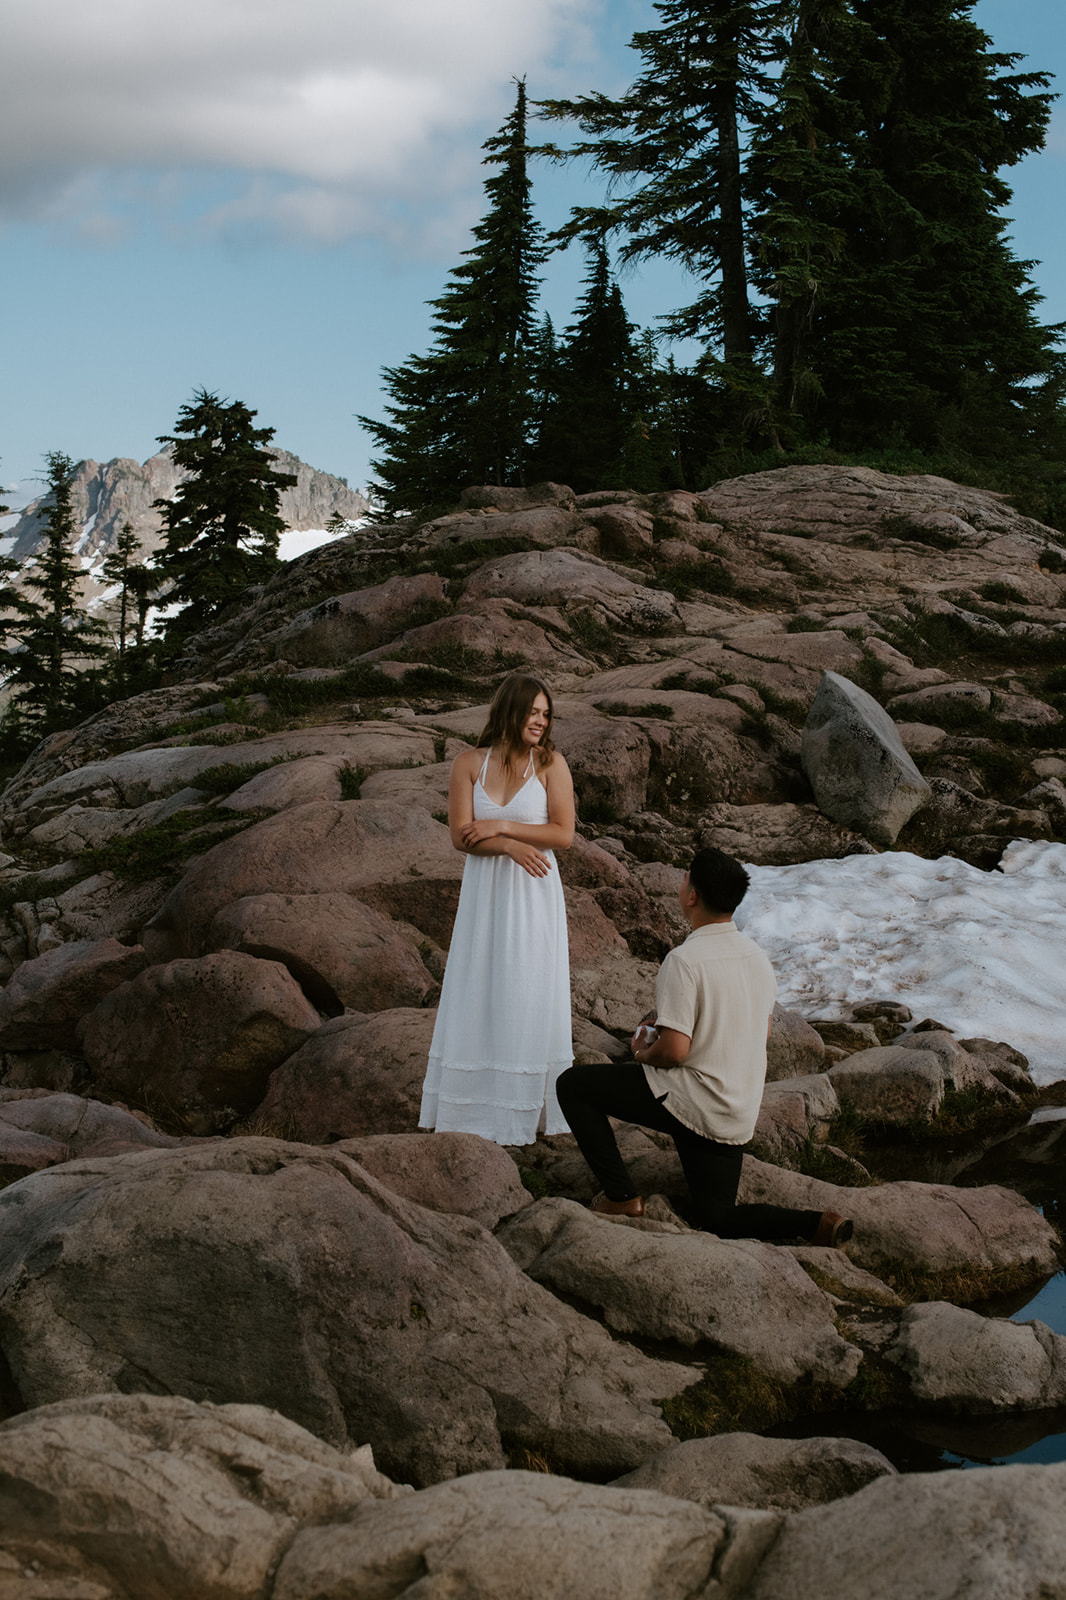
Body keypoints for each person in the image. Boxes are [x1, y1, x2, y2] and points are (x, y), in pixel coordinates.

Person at [556, 846, 853, 1247]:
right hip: (733, 1114)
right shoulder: (757, 958)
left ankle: (621, 1197)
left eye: (683, 879)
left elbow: (675, 1052)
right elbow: (759, 1034)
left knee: (573, 1086)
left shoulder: (684, 960)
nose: (681, 885)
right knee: (717, 1217)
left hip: (690, 1102)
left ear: (691, 896)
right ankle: (816, 1223)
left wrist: (643, 1052)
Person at [419, 672, 576, 1144]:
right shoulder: (468, 763)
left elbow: (563, 834)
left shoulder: (551, 765)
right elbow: (461, 837)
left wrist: (503, 827)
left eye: (546, 715)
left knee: (526, 989)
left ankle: (521, 1113)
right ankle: (471, 1110)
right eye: (533, 712)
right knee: (479, 987)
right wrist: (505, 846)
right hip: (485, 893)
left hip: (533, 895)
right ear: (511, 710)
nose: (541, 722)